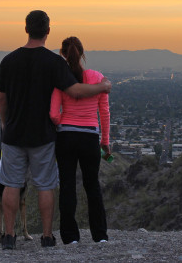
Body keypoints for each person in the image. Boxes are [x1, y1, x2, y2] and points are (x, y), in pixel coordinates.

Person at [0, 10, 111, 250]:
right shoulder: (54, 62)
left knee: (11, 184)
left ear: (26, 29)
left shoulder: (8, 60)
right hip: (44, 136)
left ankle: (8, 236)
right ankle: (47, 237)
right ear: (48, 31)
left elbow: (2, 100)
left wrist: (6, 125)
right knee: (45, 185)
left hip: (14, 134)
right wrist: (102, 87)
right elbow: (75, 91)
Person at [49, 36, 110, 244]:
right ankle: (100, 236)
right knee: (92, 185)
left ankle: (70, 237)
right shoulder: (98, 78)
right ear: (82, 53)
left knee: (67, 186)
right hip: (90, 137)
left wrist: (61, 125)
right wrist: (105, 141)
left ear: (63, 55)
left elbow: (54, 114)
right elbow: (104, 112)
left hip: (66, 136)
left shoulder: (61, 80)